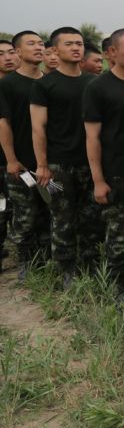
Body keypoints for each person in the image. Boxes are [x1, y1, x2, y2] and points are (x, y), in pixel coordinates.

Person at [30, 27, 102, 288]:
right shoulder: (44, 85)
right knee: (62, 218)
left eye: (79, 43)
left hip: (91, 162)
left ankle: (92, 265)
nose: (76, 47)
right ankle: (65, 269)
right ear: (55, 50)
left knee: (91, 217)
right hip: (58, 165)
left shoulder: (93, 82)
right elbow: (38, 127)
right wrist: (42, 165)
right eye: (69, 43)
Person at [83, 29, 124, 299]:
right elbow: (92, 137)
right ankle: (119, 286)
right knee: (119, 233)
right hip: (115, 171)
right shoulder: (98, 87)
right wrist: (98, 179)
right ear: (112, 53)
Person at [0, 31, 51, 281]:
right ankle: (25, 262)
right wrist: (10, 159)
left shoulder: (50, 81)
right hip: (21, 164)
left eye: (41, 43)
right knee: (25, 213)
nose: (39, 47)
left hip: (49, 163)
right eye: (31, 43)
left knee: (49, 213)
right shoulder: (7, 85)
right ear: (18, 51)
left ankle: (46, 261)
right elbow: (4, 124)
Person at [0, 39, 18, 262]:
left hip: (20, 160)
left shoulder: (29, 85)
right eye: (1, 53)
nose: (8, 57)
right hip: (4, 160)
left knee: (16, 208)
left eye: (11, 52)